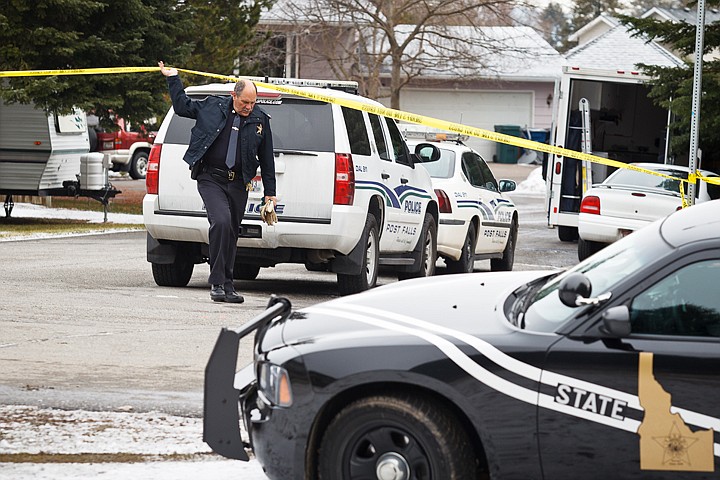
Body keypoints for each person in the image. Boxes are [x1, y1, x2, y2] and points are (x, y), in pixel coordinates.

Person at [158, 61, 276, 303]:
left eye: (253, 103)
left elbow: (267, 159)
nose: (249, 107)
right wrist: (173, 78)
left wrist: (270, 194)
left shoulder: (261, 120)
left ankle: (228, 285)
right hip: (211, 177)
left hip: (239, 183)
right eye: (245, 102)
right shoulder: (213, 107)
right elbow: (182, 107)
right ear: (234, 95)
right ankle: (217, 283)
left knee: (232, 232)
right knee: (220, 222)